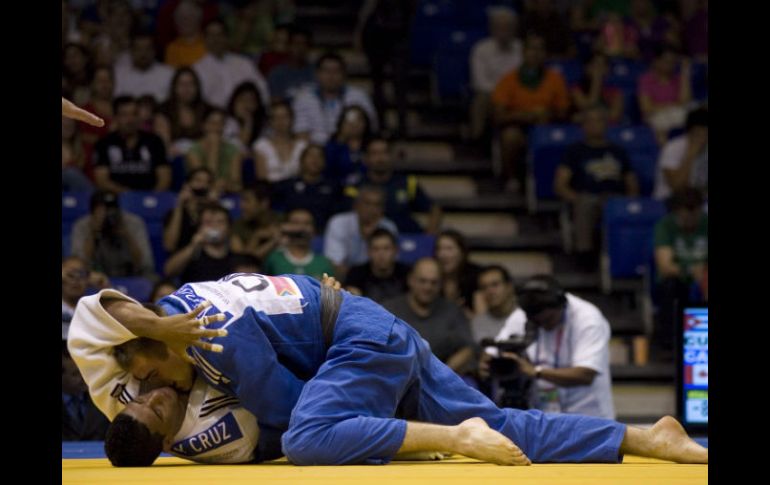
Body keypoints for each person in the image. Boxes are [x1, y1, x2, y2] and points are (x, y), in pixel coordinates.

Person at [69, 274, 707, 467]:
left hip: (359, 339)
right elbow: (113, 315)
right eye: (152, 401)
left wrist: (407, 441)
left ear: (154, 344)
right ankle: (646, 437)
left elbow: (297, 416)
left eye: (152, 384)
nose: (157, 391)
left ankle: (454, 440)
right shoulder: (189, 309)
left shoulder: (212, 336)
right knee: (502, 423)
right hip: (369, 334)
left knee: (307, 438)